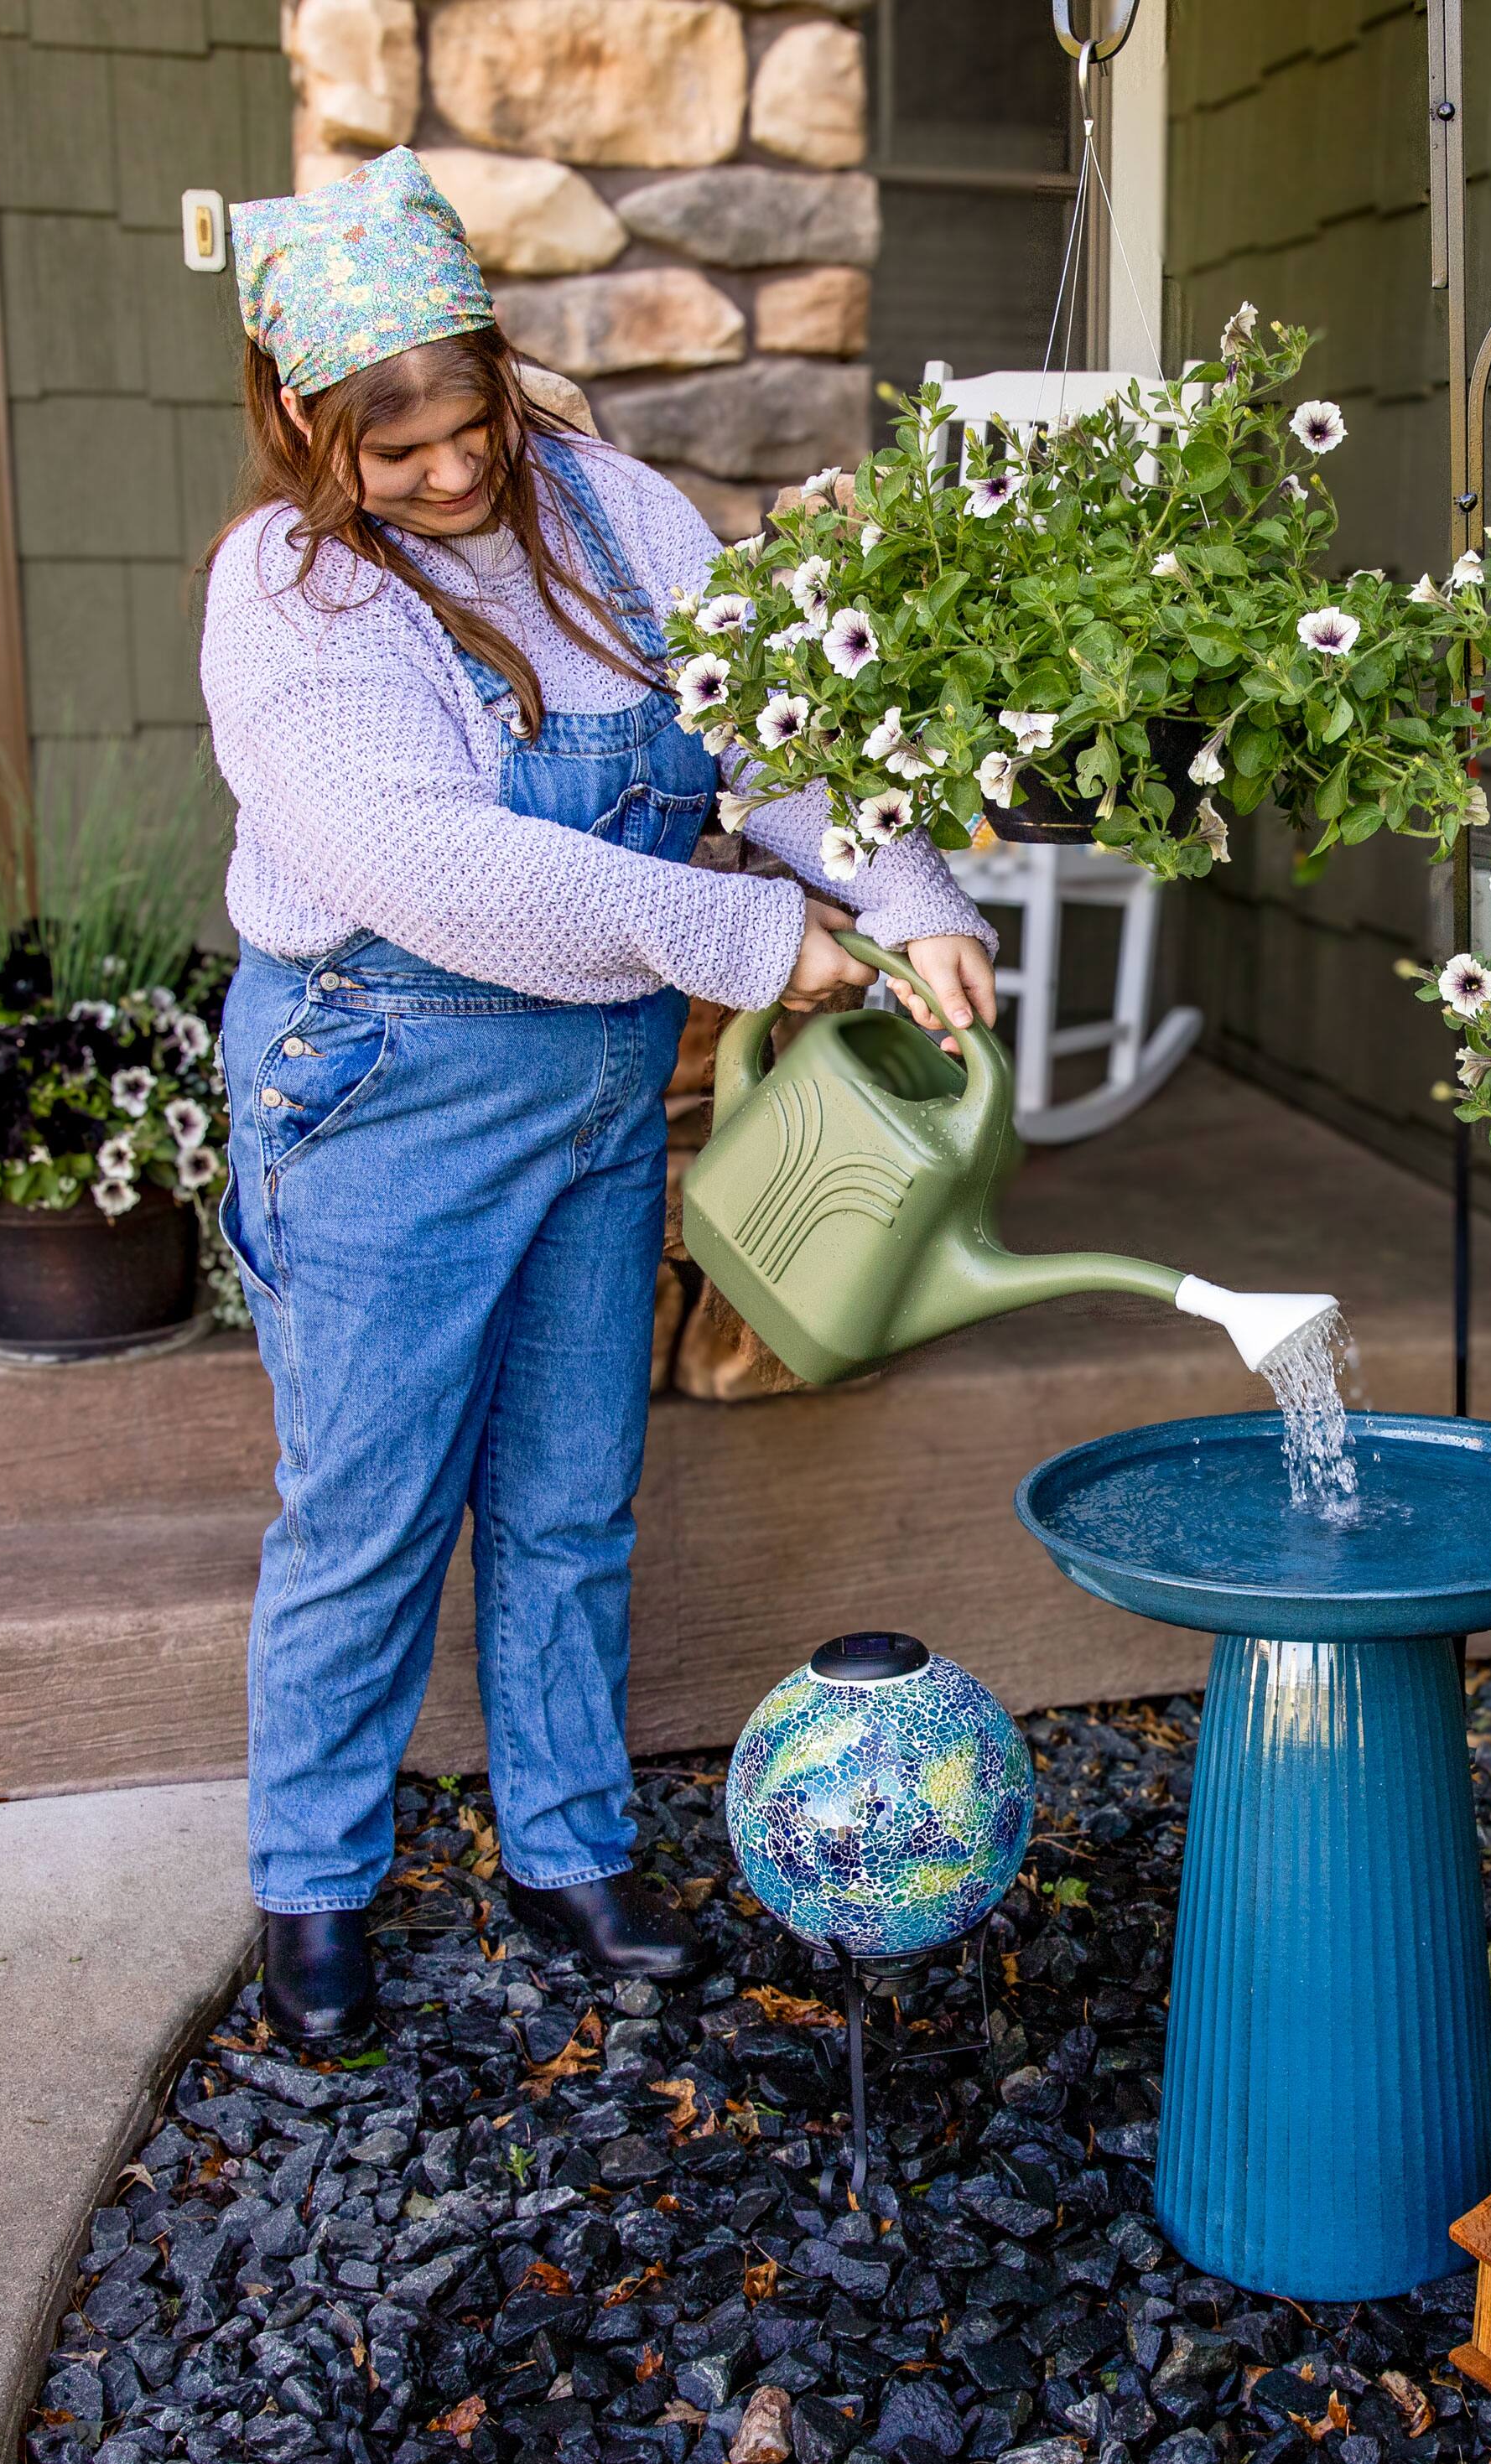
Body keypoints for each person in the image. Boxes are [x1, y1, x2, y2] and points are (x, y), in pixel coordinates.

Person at [202, 150, 996, 2042]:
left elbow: (775, 721)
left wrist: (901, 892)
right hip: (387, 1086)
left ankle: (568, 1850)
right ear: (306, 425)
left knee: (573, 1493)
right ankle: (313, 1888)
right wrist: (748, 936)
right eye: (399, 452)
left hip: (595, 1091)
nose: (454, 473)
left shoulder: (609, 506)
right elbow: (450, 871)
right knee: (369, 1510)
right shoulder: (292, 588)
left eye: (467, 422)